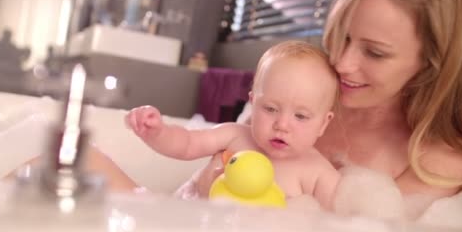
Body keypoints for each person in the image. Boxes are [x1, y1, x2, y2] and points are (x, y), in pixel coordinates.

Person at [192, 0, 462, 202]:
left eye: (375, 53)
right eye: (343, 36)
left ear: (432, 64)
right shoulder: (303, 94)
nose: (341, 62)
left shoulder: (440, 162)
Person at [125, 41, 340, 209]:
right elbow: (187, 143)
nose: (282, 125)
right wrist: (158, 132)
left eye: (300, 116)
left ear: (323, 123)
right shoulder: (235, 136)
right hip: (188, 223)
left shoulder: (318, 173)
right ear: (253, 103)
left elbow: (347, 225)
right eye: (270, 109)